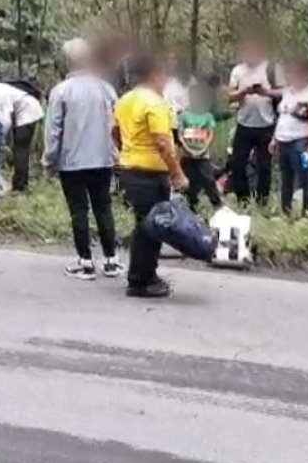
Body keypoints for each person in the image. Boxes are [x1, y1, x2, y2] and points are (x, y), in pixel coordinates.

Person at [42, 38, 124, 281]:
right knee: (103, 208)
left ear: (68, 61)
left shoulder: (60, 92)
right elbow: (117, 125)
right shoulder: (106, 89)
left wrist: (49, 160)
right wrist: (117, 154)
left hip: (72, 162)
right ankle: (111, 260)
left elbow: (53, 130)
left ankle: (85, 262)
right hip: (102, 159)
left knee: (79, 210)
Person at [114, 53, 189, 298]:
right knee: (150, 227)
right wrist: (177, 174)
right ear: (155, 74)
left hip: (130, 169)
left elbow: (114, 131)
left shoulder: (126, 99)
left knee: (145, 224)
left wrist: (126, 152)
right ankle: (140, 281)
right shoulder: (155, 103)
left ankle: (147, 274)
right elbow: (163, 142)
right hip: (149, 173)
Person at [226, 37, 282, 206]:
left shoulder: (272, 68)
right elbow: (228, 97)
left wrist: (266, 92)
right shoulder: (237, 71)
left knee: (264, 165)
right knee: (237, 163)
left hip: (267, 124)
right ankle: (243, 198)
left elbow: (285, 92)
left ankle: (262, 200)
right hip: (244, 124)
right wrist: (243, 92)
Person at [269, 56, 308, 219]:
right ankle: (285, 212)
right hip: (284, 140)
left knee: (305, 176)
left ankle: (307, 213)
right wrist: (274, 139)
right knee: (286, 177)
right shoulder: (288, 91)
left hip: (301, 142)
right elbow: (282, 117)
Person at [0, 79, 45, 192]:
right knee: (20, 149)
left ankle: (20, 186)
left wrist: (1, 137)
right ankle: (21, 182)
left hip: (28, 112)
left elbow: (6, 118)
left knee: (21, 149)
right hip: (26, 110)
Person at [177, 83, 223, 211]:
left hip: (203, 155)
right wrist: (187, 149)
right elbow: (180, 134)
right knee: (189, 181)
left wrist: (203, 150)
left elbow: (210, 135)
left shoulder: (207, 117)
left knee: (208, 179)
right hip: (187, 155)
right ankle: (191, 205)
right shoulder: (184, 116)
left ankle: (217, 204)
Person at [163, 51, 193, 145]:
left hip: (184, 123)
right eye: (169, 59)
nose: (171, 62)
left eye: (174, 59)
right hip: (164, 124)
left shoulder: (189, 80)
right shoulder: (162, 79)